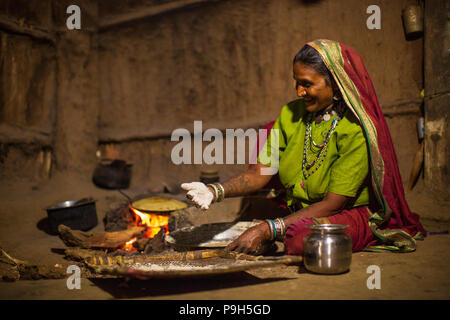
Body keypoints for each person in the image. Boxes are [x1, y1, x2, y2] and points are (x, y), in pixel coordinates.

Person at [181, 39, 426, 256]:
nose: (300, 92)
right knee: (277, 226)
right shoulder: (290, 114)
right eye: (296, 83)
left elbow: (334, 203)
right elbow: (259, 174)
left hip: (344, 212)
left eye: (307, 84)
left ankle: (282, 229)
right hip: (301, 211)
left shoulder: (355, 129)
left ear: (336, 83)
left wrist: (270, 228)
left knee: (301, 240)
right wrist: (214, 191)